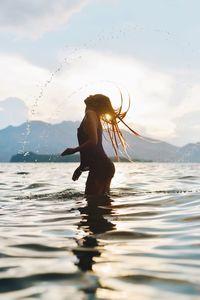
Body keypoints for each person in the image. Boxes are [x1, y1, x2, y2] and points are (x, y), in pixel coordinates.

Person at [61, 93, 139, 196]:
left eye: (93, 96)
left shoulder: (90, 114)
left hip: (101, 166)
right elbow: (92, 151)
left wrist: (73, 150)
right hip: (101, 166)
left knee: (93, 205)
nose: (90, 95)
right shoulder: (92, 115)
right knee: (101, 204)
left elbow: (93, 142)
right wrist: (81, 167)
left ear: (95, 103)